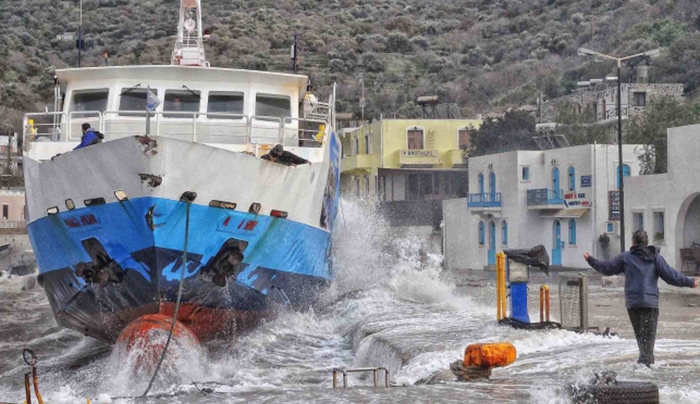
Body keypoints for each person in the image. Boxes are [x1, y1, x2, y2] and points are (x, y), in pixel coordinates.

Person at [583, 230, 699, 367]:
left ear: (633, 242)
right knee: (647, 341)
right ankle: (646, 372)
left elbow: (607, 268)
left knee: (641, 339)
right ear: (646, 242)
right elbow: (670, 275)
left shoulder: (625, 257)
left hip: (633, 303)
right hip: (650, 303)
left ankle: (643, 368)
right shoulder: (655, 258)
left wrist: (590, 259)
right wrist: (690, 282)